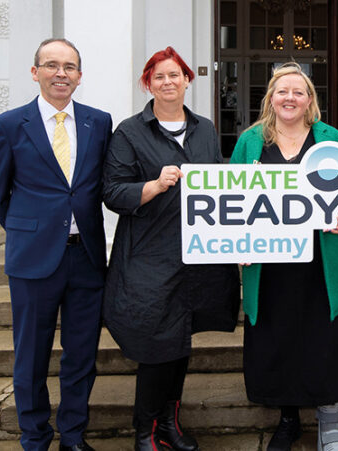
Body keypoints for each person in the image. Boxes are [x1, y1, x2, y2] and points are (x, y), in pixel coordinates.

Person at [102, 46, 240, 451]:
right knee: (157, 345)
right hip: (150, 258)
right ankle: (144, 432)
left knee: (180, 342)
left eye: (174, 75)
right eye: (158, 76)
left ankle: (169, 425)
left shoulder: (205, 129)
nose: (167, 82)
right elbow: (112, 192)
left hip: (196, 258)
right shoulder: (129, 132)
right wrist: (154, 185)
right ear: (148, 84)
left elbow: (217, 189)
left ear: (186, 81)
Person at [0, 38, 111, 451]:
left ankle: (73, 436)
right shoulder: (7, 125)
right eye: (52, 65)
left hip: (86, 257)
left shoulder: (99, 122)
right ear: (35, 72)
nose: (61, 73)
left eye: (69, 67)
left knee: (81, 355)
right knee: (31, 356)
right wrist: (30, 229)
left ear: (79, 76)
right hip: (33, 259)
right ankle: (35, 437)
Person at [229, 62, 338, 451]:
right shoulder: (250, 140)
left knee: (322, 337)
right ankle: (287, 420)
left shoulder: (328, 138)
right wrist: (236, 242)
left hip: (317, 261)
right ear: (271, 97)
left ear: (309, 100)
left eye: (298, 92)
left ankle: (331, 422)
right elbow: (231, 194)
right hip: (268, 264)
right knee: (277, 339)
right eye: (282, 91)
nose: (290, 98)